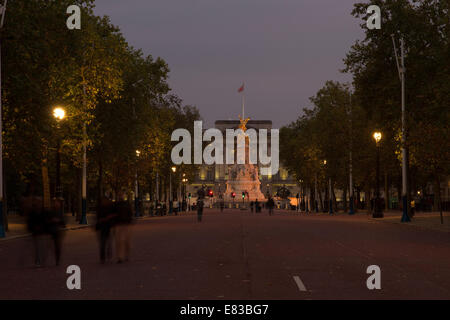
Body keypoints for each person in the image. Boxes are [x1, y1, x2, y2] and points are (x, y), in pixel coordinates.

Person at [114, 193, 133, 263]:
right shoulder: (118, 205)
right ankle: (121, 256)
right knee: (121, 241)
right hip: (122, 224)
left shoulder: (118, 205)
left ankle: (123, 256)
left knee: (122, 241)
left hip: (123, 224)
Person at [96, 196, 115, 264]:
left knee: (107, 243)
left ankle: (107, 256)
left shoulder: (109, 207)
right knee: (104, 243)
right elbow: (97, 218)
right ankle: (103, 257)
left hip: (107, 227)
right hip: (103, 227)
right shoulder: (100, 208)